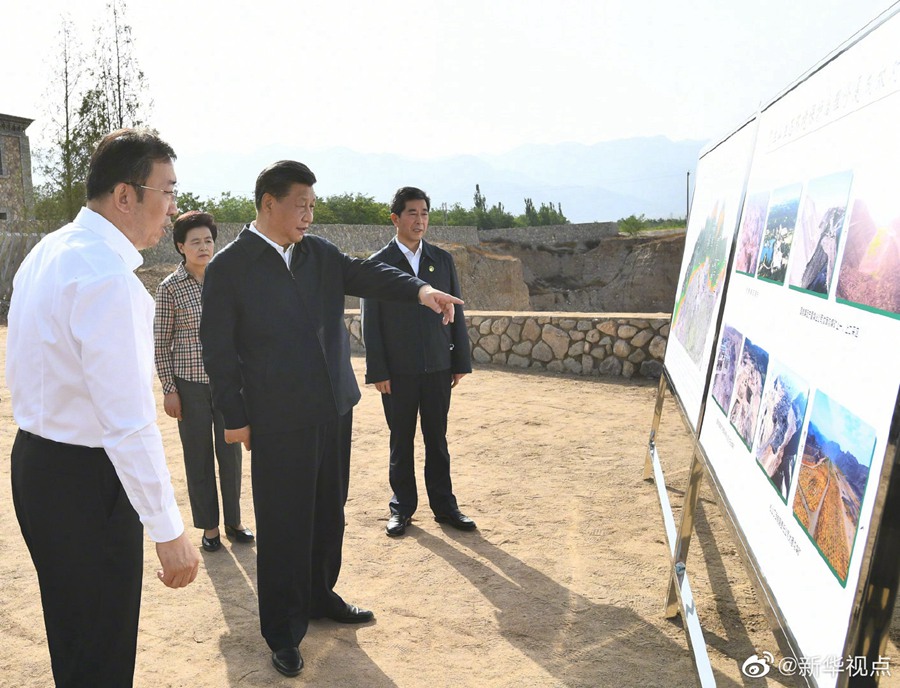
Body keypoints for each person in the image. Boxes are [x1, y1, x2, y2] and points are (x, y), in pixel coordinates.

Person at [199, 160, 463, 678]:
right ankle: (282, 630)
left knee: (327, 510)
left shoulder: (318, 253)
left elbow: (367, 272)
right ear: (268, 203)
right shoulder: (232, 265)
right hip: (277, 418)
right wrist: (235, 416)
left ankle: (321, 597)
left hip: (332, 408)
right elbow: (218, 347)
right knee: (283, 523)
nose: (308, 215)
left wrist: (419, 291)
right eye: (301, 205)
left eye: (313, 206)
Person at [6, 127, 200, 688]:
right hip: (87, 483)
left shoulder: (49, 251)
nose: (173, 208)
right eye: (166, 190)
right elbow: (129, 422)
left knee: (74, 635)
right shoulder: (108, 279)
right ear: (124, 195)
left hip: (38, 463)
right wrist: (168, 530)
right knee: (101, 651)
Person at [362, 186, 476, 537]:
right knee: (401, 440)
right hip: (397, 372)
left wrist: (460, 359)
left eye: (424, 213)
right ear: (396, 218)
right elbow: (372, 323)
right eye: (412, 213)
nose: (420, 219)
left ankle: (445, 506)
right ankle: (402, 508)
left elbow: (455, 310)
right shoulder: (377, 265)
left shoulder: (441, 260)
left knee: (436, 439)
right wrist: (378, 369)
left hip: (439, 366)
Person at [154, 210, 254, 552]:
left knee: (231, 455)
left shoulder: (227, 280)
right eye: (195, 241)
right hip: (189, 386)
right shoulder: (169, 288)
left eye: (208, 240)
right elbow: (161, 343)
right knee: (198, 457)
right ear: (181, 246)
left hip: (227, 383)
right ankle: (209, 528)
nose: (203, 247)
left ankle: (235, 522)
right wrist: (170, 390)